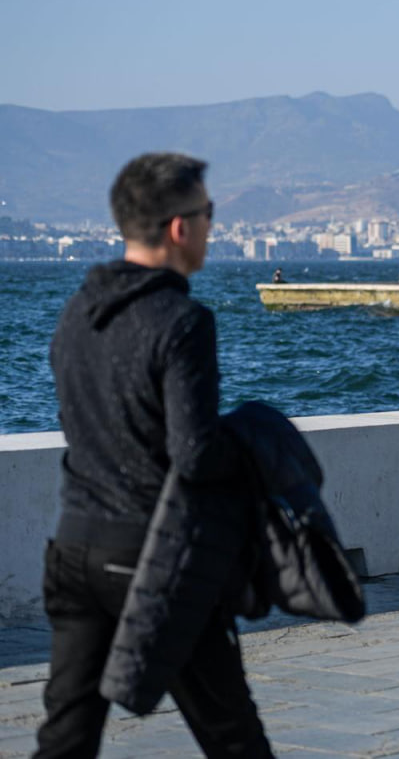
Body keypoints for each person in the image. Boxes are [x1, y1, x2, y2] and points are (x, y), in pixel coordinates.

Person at [38, 153, 272, 757]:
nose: (212, 226)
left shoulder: (76, 314)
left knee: (65, 740)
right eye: (209, 212)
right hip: (154, 559)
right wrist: (254, 447)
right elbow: (194, 455)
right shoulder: (183, 321)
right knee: (235, 741)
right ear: (178, 227)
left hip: (73, 551)